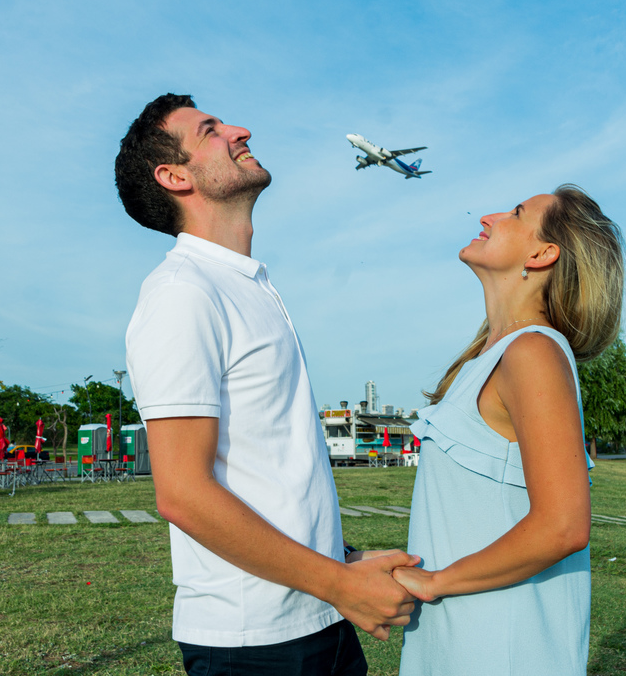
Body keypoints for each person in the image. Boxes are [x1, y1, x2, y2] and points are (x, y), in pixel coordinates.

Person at [115, 94, 417, 676]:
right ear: (175, 176)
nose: (239, 129)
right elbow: (181, 492)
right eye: (210, 130)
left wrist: (342, 558)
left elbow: (266, 466)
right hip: (253, 644)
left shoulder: (248, 285)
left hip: (319, 616)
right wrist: (339, 583)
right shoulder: (183, 292)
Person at [391, 185, 626, 676]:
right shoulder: (490, 358)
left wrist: (436, 582)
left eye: (517, 213)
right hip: (458, 637)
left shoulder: (533, 353)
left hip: (501, 645)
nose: (491, 215)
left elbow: (562, 526)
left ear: (542, 254)